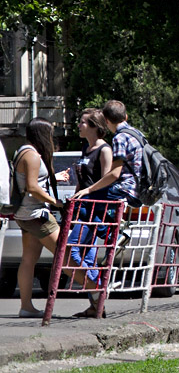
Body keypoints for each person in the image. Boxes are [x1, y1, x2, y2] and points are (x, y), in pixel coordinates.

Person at [65, 108, 115, 317]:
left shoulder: (104, 150)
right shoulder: (86, 148)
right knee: (89, 256)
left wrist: (88, 191)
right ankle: (96, 305)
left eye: (83, 122)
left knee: (73, 252)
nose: (79, 125)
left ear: (94, 126)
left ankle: (99, 292)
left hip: (96, 209)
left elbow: (108, 179)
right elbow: (83, 179)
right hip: (81, 207)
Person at [12, 119, 63, 319]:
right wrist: (55, 202)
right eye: (50, 133)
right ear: (43, 134)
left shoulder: (21, 152)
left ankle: (26, 307)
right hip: (36, 215)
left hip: (24, 215)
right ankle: (97, 291)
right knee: (65, 255)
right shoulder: (32, 156)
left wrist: (54, 178)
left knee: (28, 260)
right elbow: (32, 188)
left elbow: (30, 182)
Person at [74, 99, 141, 208]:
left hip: (125, 189)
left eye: (82, 122)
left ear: (106, 120)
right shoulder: (137, 133)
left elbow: (114, 174)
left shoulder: (119, 138)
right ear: (126, 117)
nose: (79, 126)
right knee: (82, 201)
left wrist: (89, 189)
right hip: (138, 188)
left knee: (83, 201)